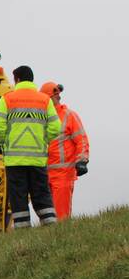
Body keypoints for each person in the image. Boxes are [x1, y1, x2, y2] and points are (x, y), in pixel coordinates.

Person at [0, 65, 61, 229]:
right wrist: (42, 140)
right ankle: (51, 227)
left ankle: (23, 231)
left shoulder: (7, 99)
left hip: (15, 160)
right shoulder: (44, 100)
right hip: (37, 158)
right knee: (42, 194)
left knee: (18, 196)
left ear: (17, 79)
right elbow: (55, 128)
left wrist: (5, 142)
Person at [40, 81, 90, 220]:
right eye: (54, 94)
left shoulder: (69, 115)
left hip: (63, 174)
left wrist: (82, 160)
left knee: (60, 216)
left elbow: (82, 140)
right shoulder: (40, 118)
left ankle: (59, 239)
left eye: (58, 94)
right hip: (42, 173)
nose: (58, 97)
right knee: (46, 217)